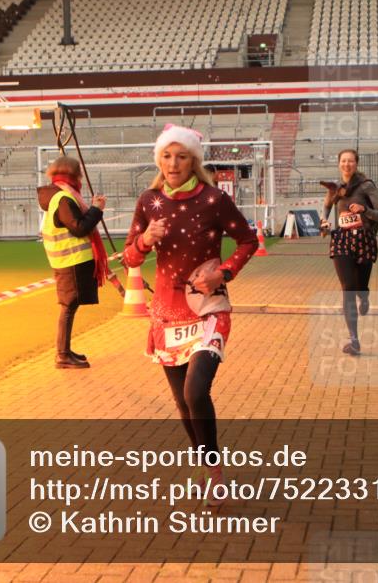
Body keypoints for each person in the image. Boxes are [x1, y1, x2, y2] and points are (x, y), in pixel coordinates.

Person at [123, 124, 258, 505]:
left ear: (193, 160)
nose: (173, 163)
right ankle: (208, 466)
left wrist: (223, 272)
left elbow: (248, 240)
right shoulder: (149, 201)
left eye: (181, 156)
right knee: (183, 403)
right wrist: (146, 240)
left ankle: (214, 473)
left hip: (208, 308)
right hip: (166, 312)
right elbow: (131, 257)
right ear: (159, 159)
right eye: (166, 155)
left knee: (196, 390)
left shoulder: (213, 199)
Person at [37, 157, 108, 370]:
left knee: (70, 306)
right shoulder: (64, 199)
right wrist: (96, 209)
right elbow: (79, 228)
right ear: (74, 176)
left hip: (67, 261)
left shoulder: (58, 196)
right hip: (71, 262)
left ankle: (65, 351)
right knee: (68, 307)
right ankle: (62, 354)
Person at [319, 149, 378, 356]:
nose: (347, 164)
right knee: (347, 288)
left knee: (359, 287)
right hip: (342, 240)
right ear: (339, 164)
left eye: (351, 161)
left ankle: (364, 297)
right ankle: (354, 340)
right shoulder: (335, 188)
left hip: (364, 239)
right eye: (343, 161)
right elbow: (327, 206)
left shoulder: (367, 186)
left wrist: (364, 210)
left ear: (356, 163)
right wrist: (324, 222)